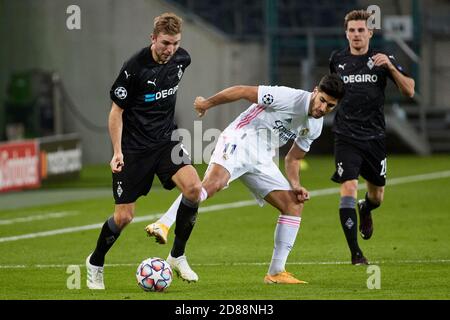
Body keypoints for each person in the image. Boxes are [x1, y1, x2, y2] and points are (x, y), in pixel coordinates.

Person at [146, 74, 345, 283]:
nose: (323, 108)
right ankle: (164, 223)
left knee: (294, 205)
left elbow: (294, 158)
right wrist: (207, 103)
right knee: (212, 185)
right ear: (315, 91)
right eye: (322, 100)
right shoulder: (288, 97)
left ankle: (276, 272)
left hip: (263, 157)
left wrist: (296, 185)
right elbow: (242, 91)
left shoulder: (315, 126)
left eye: (330, 106)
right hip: (240, 139)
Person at [86, 12, 204, 289]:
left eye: (175, 43)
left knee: (194, 189)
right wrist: (117, 152)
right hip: (134, 149)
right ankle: (95, 262)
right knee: (124, 216)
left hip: (165, 142)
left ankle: (177, 255)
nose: (170, 49)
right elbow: (116, 112)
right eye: (165, 43)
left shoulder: (182, 59)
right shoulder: (134, 69)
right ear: (153, 38)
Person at [329, 10, 415, 265]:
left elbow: (409, 90)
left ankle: (366, 208)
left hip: (375, 137)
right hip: (345, 136)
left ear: (370, 32)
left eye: (360, 30)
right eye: (351, 30)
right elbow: (331, 91)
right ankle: (356, 253)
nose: (356, 35)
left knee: (376, 196)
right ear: (346, 33)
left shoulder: (382, 59)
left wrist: (389, 67)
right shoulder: (337, 60)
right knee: (349, 187)